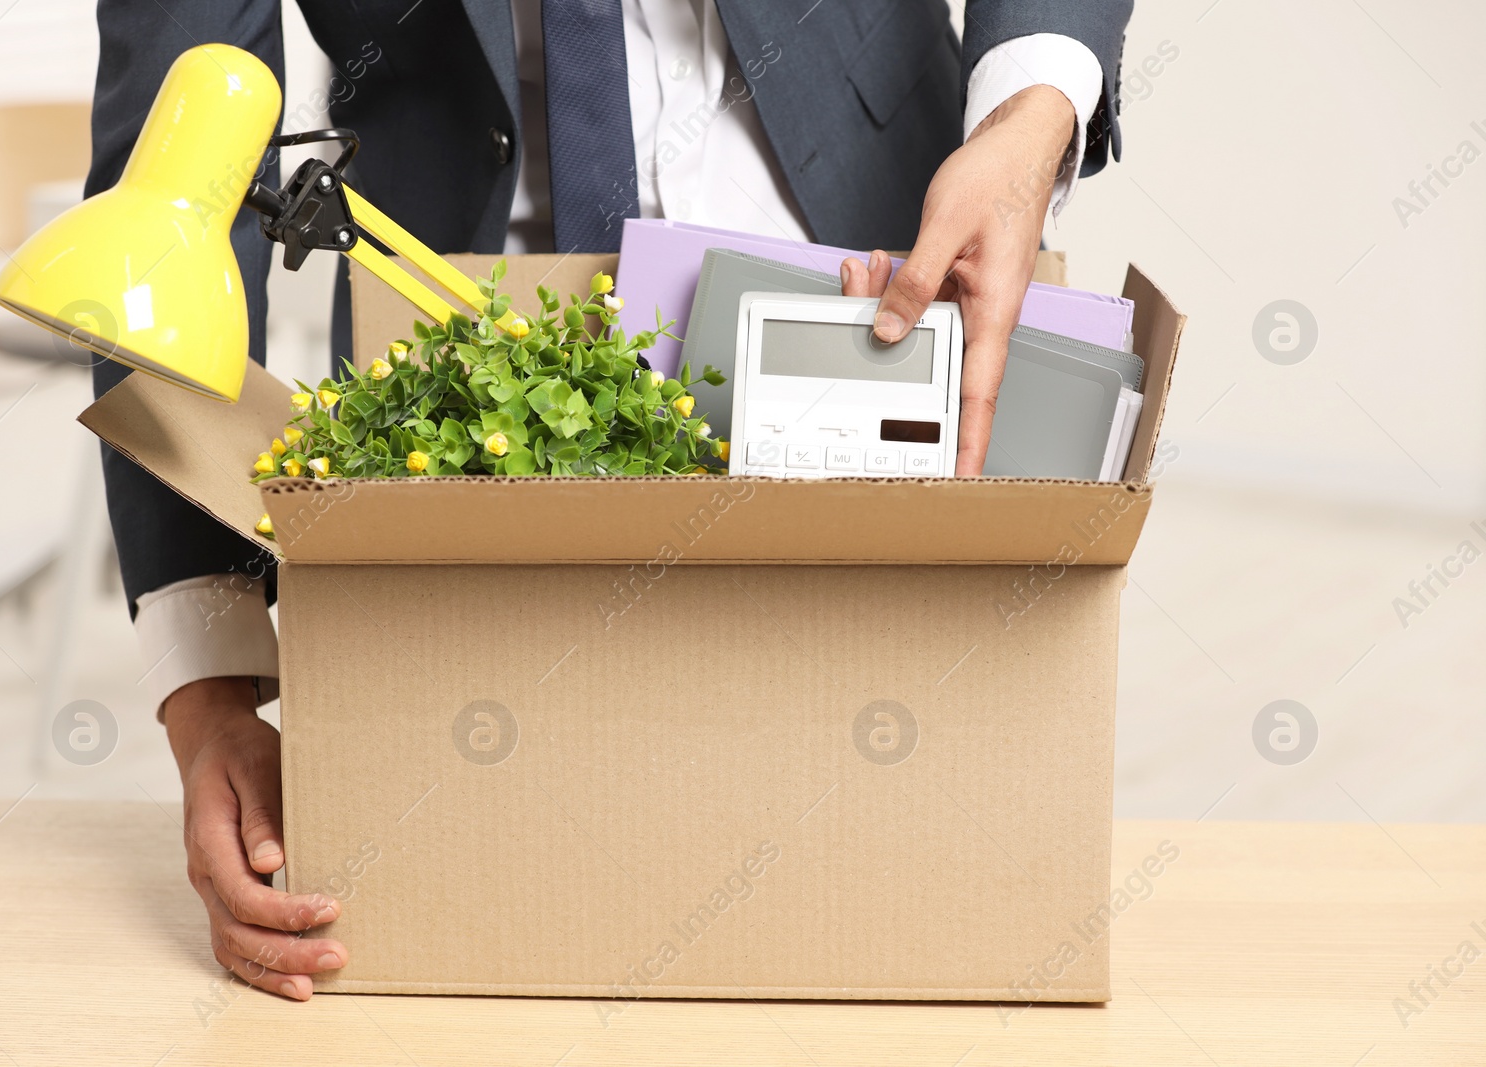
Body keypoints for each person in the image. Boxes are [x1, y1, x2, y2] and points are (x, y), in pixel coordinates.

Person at [86, 0, 1133, 1000]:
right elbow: (171, 171)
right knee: (497, 916)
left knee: (904, 885)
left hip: (882, 265)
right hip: (470, 347)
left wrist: (1029, 109)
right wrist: (213, 688)